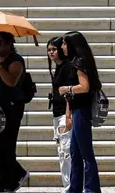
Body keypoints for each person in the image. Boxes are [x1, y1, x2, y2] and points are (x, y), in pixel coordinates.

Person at [58, 31, 101, 193]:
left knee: (85, 152)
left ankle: (92, 189)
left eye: (64, 43)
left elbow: (85, 87)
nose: (62, 47)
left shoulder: (80, 63)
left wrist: (67, 88)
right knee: (75, 152)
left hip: (82, 111)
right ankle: (75, 187)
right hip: (77, 110)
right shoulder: (77, 61)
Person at [0, 31, 29, 192]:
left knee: (7, 146)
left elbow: (11, 81)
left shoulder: (16, 61)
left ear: (9, 43)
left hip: (11, 108)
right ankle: (14, 176)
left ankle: (9, 183)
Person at [47, 37, 72, 193]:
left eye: (54, 49)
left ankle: (71, 186)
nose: (51, 52)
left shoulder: (67, 67)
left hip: (65, 113)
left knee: (66, 150)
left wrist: (69, 116)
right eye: (49, 50)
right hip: (57, 113)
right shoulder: (57, 67)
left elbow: (69, 94)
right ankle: (67, 185)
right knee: (61, 151)